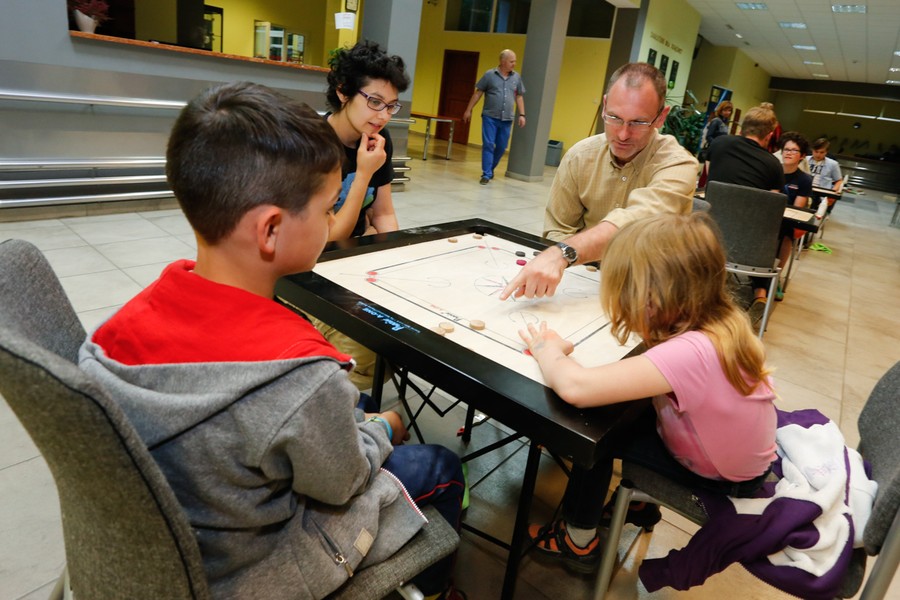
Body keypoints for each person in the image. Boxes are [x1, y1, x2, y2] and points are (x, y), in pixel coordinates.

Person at [79, 81, 465, 600]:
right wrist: (383, 428)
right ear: (270, 230)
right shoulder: (302, 375)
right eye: (329, 208)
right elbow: (343, 481)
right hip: (260, 568)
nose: (333, 221)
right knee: (439, 464)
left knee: (361, 408)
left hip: (183, 544)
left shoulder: (110, 335)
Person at [521, 212, 777, 574]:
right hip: (736, 459)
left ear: (652, 297)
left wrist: (547, 348)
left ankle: (578, 539)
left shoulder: (690, 351)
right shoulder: (719, 321)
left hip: (719, 478)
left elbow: (576, 388)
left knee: (595, 426)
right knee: (631, 407)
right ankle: (640, 507)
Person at [500, 62, 698, 301]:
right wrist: (566, 259)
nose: (623, 134)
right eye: (614, 117)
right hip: (583, 283)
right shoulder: (579, 156)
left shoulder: (679, 165)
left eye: (638, 122)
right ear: (604, 106)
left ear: (661, 117)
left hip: (650, 290)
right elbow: (557, 230)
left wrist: (565, 253)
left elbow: (638, 222)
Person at [317, 40, 410, 391]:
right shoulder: (313, 142)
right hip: (312, 263)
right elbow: (328, 236)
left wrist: (395, 260)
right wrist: (365, 173)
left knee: (403, 330)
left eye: (390, 106)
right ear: (343, 92)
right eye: (373, 102)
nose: (383, 115)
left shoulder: (377, 137)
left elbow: (383, 213)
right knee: (369, 353)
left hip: (353, 258)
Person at [706, 104, 785, 326]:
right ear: (769, 135)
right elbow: (769, 210)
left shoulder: (719, 144)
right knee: (777, 230)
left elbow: (709, 178)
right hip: (749, 248)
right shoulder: (773, 165)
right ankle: (761, 293)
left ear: (742, 127)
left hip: (708, 236)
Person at [462, 49, 526, 185]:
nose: (514, 64)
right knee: (489, 145)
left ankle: (490, 169)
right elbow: (477, 93)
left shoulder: (516, 77)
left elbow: (519, 96)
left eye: (515, 61)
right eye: (511, 61)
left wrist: (522, 114)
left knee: (502, 147)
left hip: (507, 119)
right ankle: (486, 174)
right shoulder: (489, 75)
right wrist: (468, 110)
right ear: (503, 61)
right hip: (490, 117)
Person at [774, 131, 813, 301]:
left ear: (802, 156)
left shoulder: (804, 180)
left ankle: (776, 279)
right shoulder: (771, 171)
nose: (788, 153)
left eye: (794, 150)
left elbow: (798, 208)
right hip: (766, 214)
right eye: (786, 149)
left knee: (788, 232)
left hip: (786, 218)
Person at [808, 137, 844, 216]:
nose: (818, 154)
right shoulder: (805, 160)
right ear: (812, 150)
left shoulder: (833, 164)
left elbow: (839, 180)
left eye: (822, 152)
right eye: (816, 151)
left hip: (822, 194)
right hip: (806, 190)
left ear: (826, 152)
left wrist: (832, 193)